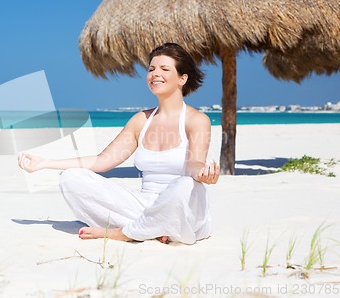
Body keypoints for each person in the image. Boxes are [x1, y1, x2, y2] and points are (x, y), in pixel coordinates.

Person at [18, 43, 219, 244]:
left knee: (184, 184)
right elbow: (102, 162)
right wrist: (45, 163)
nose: (155, 74)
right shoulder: (141, 121)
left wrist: (202, 174)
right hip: (143, 207)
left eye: (164, 69)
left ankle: (122, 233)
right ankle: (150, 229)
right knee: (71, 178)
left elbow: (194, 164)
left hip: (183, 208)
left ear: (182, 78)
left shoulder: (197, 120)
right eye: (151, 69)